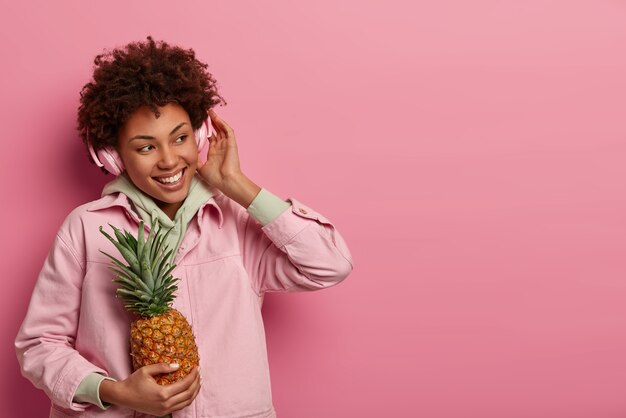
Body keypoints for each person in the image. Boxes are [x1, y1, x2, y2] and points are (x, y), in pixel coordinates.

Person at [15, 37, 353, 418]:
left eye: (180, 138)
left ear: (201, 134)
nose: (169, 160)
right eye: (145, 147)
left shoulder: (236, 223)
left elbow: (330, 263)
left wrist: (237, 185)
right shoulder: (86, 229)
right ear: (113, 156)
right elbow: (39, 343)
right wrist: (115, 391)